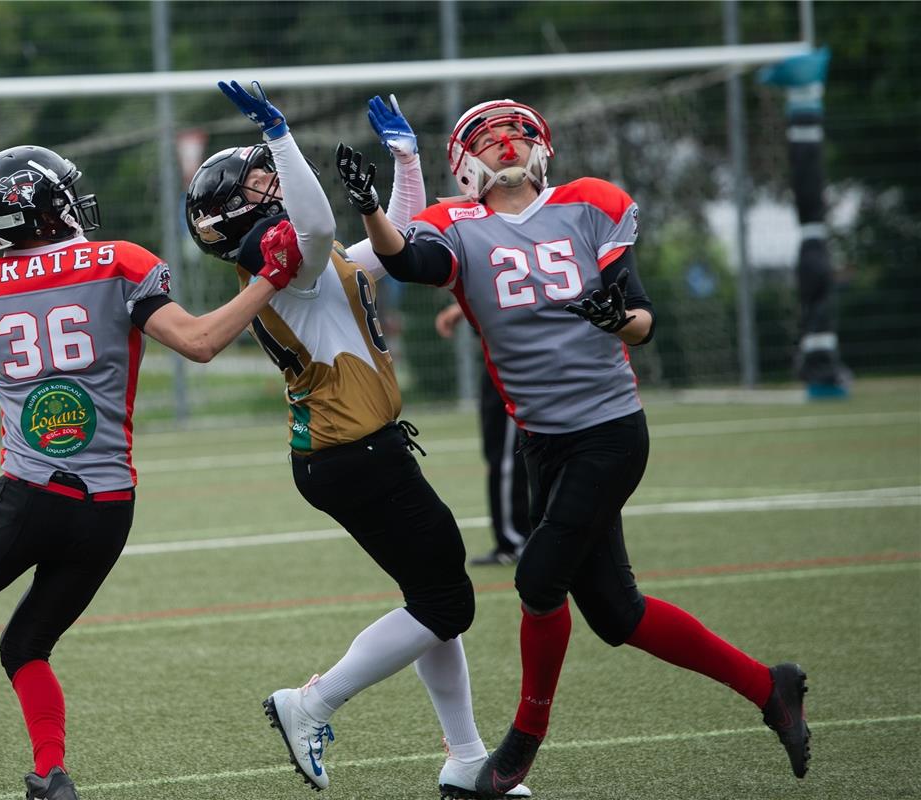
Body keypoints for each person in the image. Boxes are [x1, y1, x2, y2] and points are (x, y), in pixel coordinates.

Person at [335, 98, 811, 798]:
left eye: (516, 133)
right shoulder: (455, 224)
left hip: (610, 431)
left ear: (541, 149)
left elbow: (642, 318)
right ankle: (769, 687)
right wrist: (374, 208)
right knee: (620, 615)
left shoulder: (592, 205)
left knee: (537, 580)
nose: (505, 145)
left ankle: (524, 738)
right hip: (544, 443)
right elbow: (405, 262)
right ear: (466, 164)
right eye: (489, 139)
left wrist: (622, 320)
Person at [0, 145, 304, 800]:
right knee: (26, 645)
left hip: (26, 496)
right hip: (108, 507)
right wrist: (268, 278)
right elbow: (199, 343)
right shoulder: (119, 263)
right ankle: (51, 775)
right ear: (44, 208)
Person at [185, 81, 530, 799]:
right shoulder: (287, 263)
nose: (271, 181)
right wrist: (279, 130)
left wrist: (404, 163)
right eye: (258, 181)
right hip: (352, 454)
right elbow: (312, 227)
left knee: (432, 597)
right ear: (236, 213)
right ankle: (311, 702)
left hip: (355, 452)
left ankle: (466, 759)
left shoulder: (303, 264)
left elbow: (391, 250)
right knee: (446, 603)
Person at [434, 302, 529, 565]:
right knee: (500, 454)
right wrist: (461, 308)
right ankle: (513, 539)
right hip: (500, 356)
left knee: (509, 457)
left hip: (517, 360)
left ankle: (516, 541)